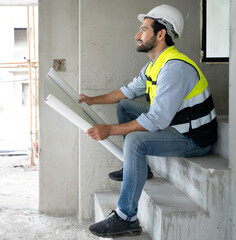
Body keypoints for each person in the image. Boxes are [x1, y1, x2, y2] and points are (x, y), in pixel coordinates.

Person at [79, 4, 217, 238]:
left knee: (135, 141)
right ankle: (139, 167)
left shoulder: (174, 68)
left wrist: (109, 130)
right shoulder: (155, 64)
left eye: (143, 29)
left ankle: (126, 218)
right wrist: (93, 100)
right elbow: (126, 92)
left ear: (161, 34)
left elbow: (155, 120)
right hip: (176, 125)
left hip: (194, 138)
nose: (137, 34)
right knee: (126, 106)